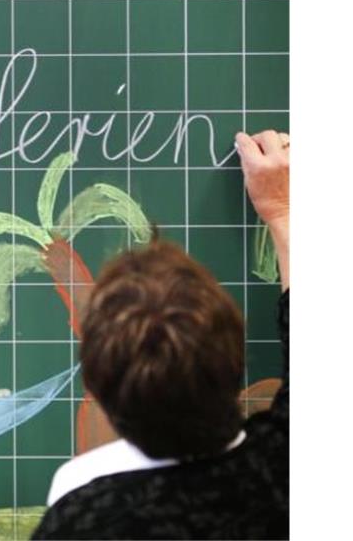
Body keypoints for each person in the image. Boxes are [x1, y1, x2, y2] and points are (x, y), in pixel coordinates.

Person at [32, 130, 289, 539]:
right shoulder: (282, 476)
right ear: (235, 361)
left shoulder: (81, 518)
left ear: (98, 385)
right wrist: (281, 210)